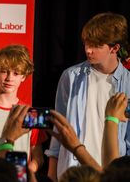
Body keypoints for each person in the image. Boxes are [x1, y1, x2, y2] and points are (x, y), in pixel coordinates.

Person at [45, 12, 130, 181]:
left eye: (96, 45)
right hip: (74, 171)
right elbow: (59, 125)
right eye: (86, 43)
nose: (88, 50)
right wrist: (52, 171)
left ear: (114, 48)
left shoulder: (128, 82)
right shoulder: (71, 76)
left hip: (113, 173)